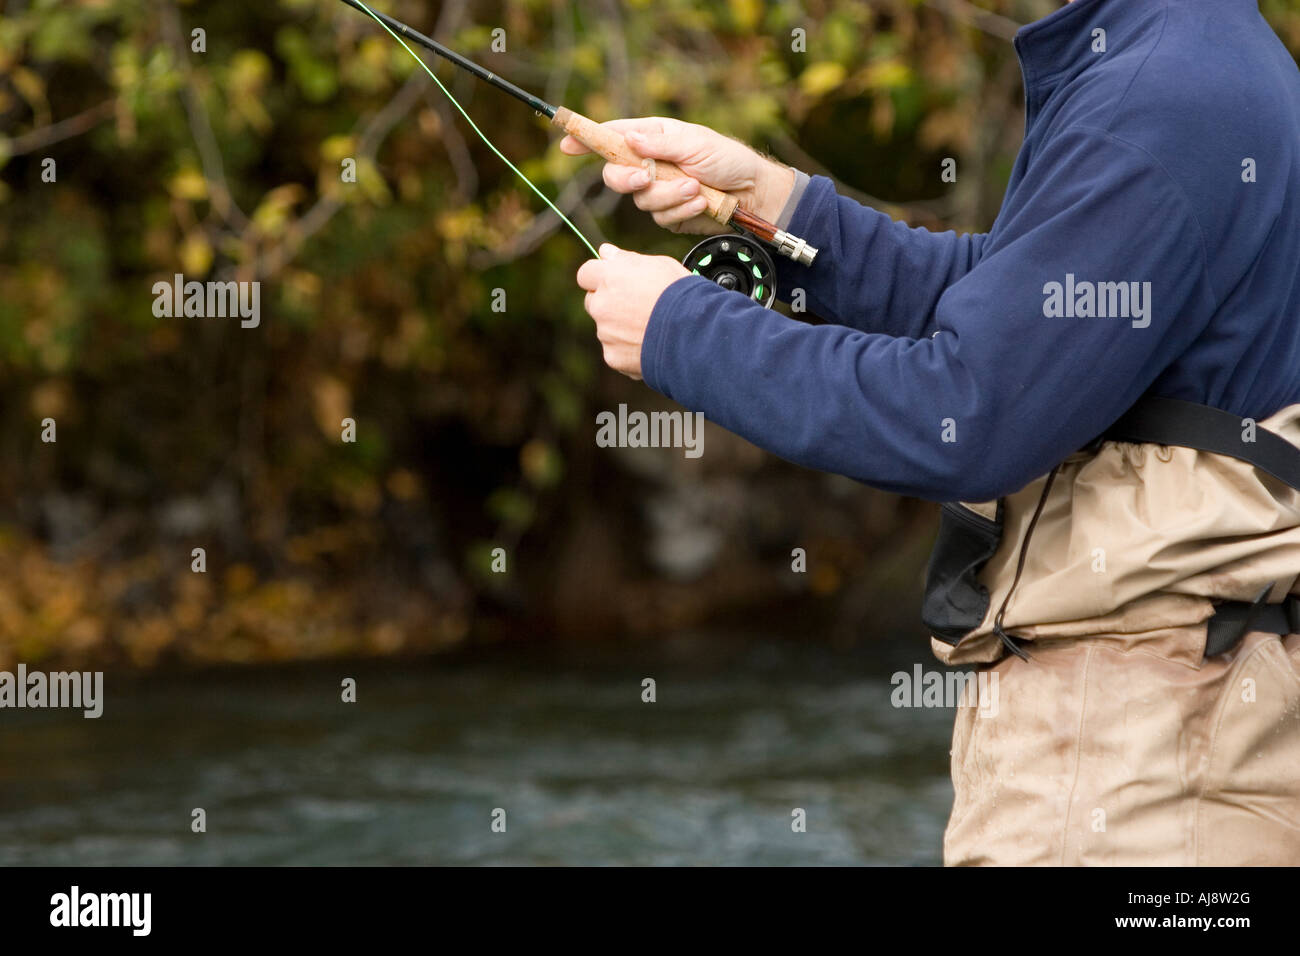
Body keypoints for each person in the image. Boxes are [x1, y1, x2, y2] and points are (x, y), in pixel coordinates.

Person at [569, 0, 1300, 865]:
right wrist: (771, 205)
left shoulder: (1161, 98)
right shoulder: (1192, 55)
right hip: (1172, 737)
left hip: (1137, 773)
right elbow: (1015, 307)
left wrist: (681, 333)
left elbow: (968, 412)